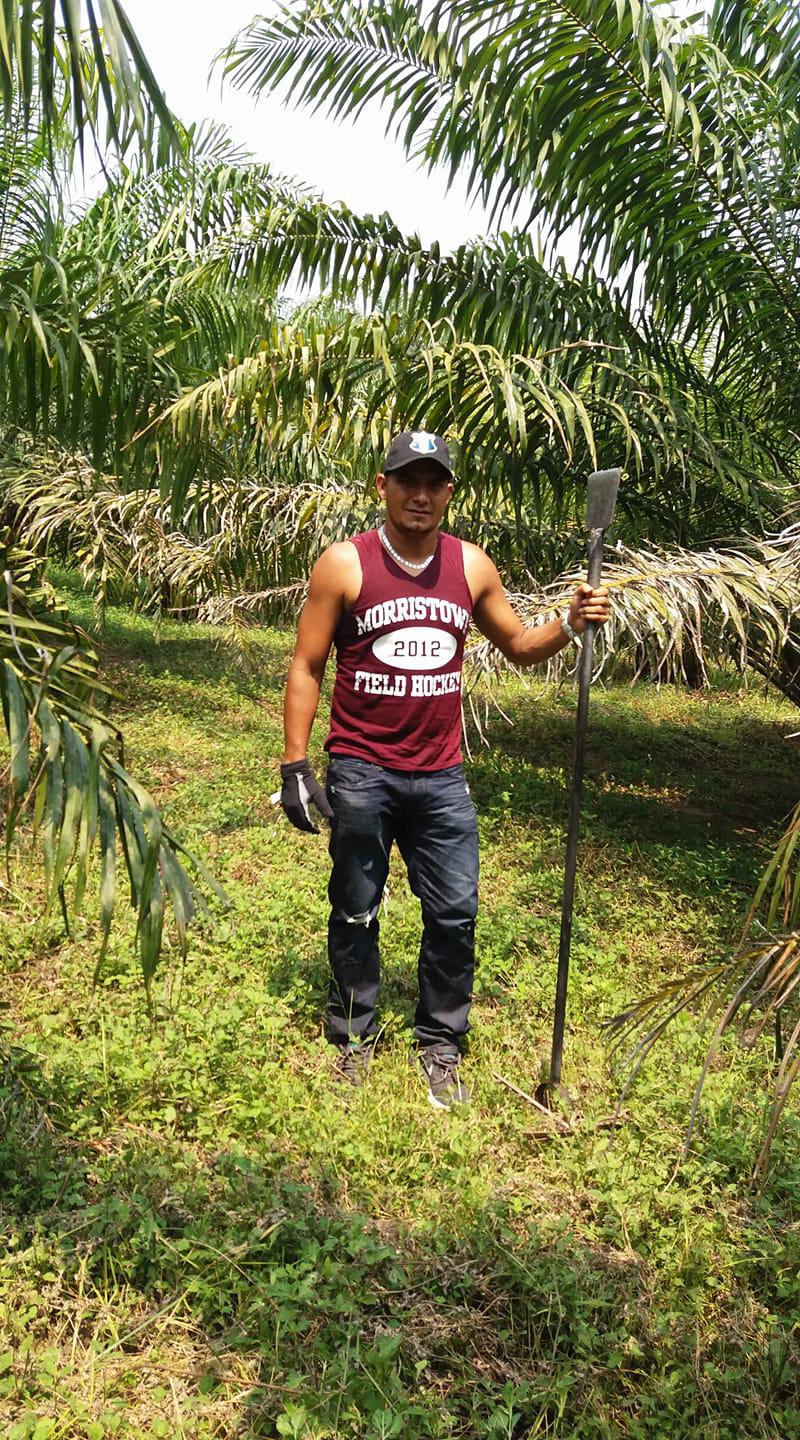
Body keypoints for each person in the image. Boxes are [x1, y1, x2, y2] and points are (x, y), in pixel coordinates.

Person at [279, 431, 611, 1108]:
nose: (421, 495)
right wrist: (294, 765)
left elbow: (519, 644)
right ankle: (352, 1038)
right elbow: (307, 665)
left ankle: (440, 1044)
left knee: (456, 914)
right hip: (361, 769)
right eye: (408, 481)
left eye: (434, 483)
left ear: (450, 492)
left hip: (441, 775)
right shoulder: (344, 566)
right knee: (355, 912)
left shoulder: (471, 566)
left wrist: (572, 624)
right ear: (383, 487)